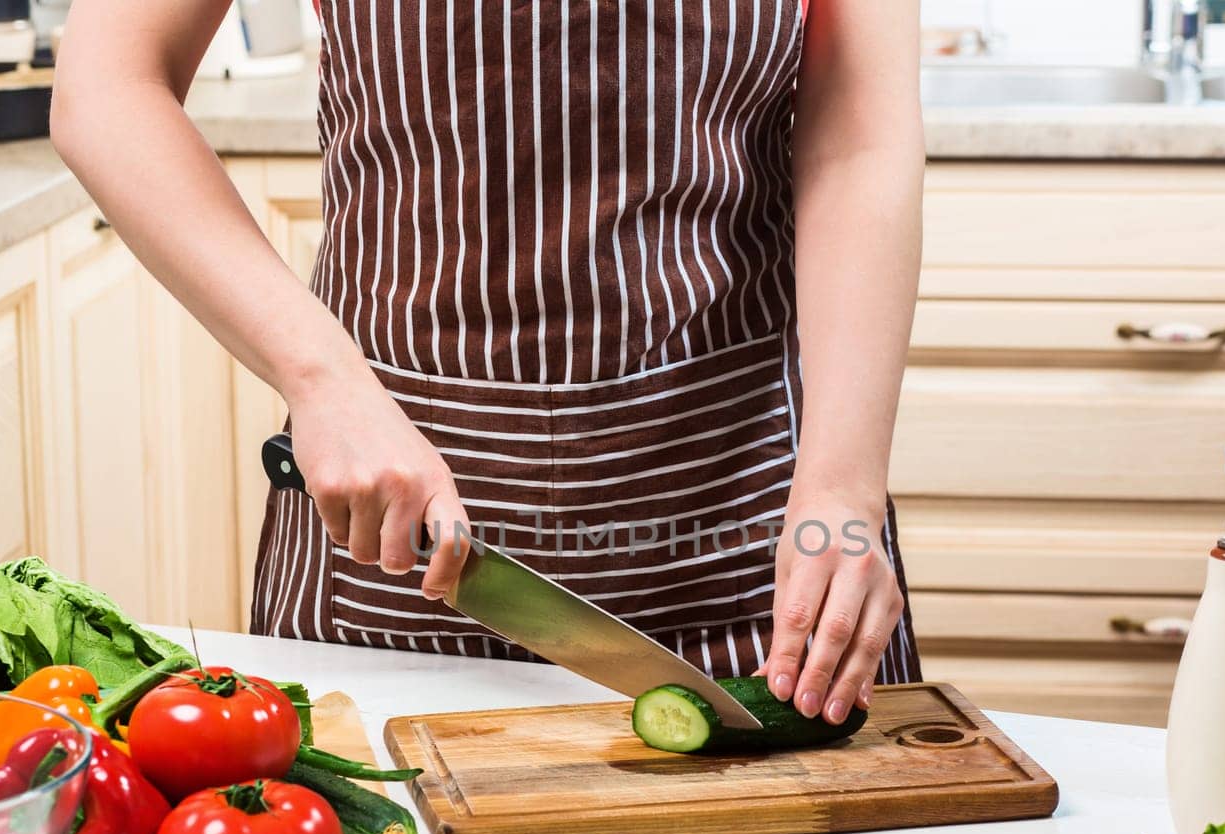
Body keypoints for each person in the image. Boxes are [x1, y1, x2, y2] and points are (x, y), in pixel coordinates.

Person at [52, 0, 925, 725]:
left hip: (748, 541)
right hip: (388, 547)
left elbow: (859, 137)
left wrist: (842, 490)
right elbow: (109, 83)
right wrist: (320, 377)